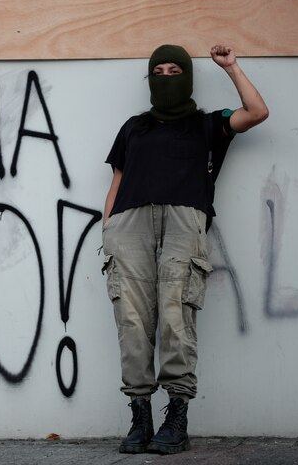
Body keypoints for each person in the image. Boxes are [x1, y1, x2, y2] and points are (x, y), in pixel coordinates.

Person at [101, 44, 268, 455]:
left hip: (183, 223)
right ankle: (140, 416)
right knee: (133, 321)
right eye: (159, 70)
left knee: (176, 316)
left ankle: (177, 418)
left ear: (188, 76)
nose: (167, 76)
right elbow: (117, 181)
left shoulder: (209, 125)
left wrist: (230, 67)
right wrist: (108, 228)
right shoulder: (134, 127)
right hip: (129, 225)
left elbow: (258, 112)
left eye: (175, 69)